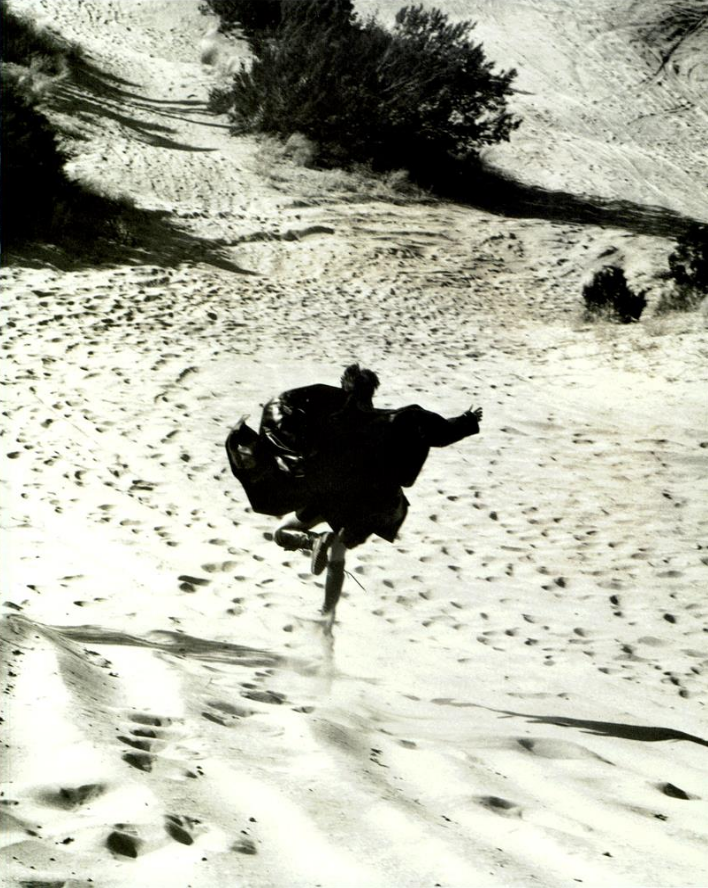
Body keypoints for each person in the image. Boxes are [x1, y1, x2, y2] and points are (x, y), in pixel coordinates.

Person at [226, 364, 482, 623]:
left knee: (281, 533)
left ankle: (313, 542)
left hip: (329, 494)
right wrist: (467, 420)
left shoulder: (329, 418)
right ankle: (327, 615)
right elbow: (437, 431)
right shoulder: (390, 421)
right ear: (371, 392)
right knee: (338, 553)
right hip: (370, 503)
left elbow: (290, 431)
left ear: (343, 386)